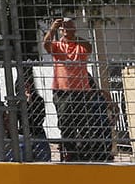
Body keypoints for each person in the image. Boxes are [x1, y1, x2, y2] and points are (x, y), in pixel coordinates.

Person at [43, 16, 112, 162]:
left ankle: (84, 152)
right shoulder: (57, 45)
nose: (66, 30)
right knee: (65, 123)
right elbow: (46, 45)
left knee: (83, 123)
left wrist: (72, 35)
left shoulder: (80, 45)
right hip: (62, 91)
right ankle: (71, 152)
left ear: (74, 29)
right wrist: (53, 28)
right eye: (64, 28)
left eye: (69, 27)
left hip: (81, 91)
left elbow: (88, 47)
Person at [18, 77, 53, 162]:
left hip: (37, 132)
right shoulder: (17, 102)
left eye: (27, 85)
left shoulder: (38, 100)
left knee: (44, 158)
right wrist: (25, 103)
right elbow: (19, 118)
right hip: (23, 133)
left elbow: (40, 118)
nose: (26, 88)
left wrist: (30, 102)